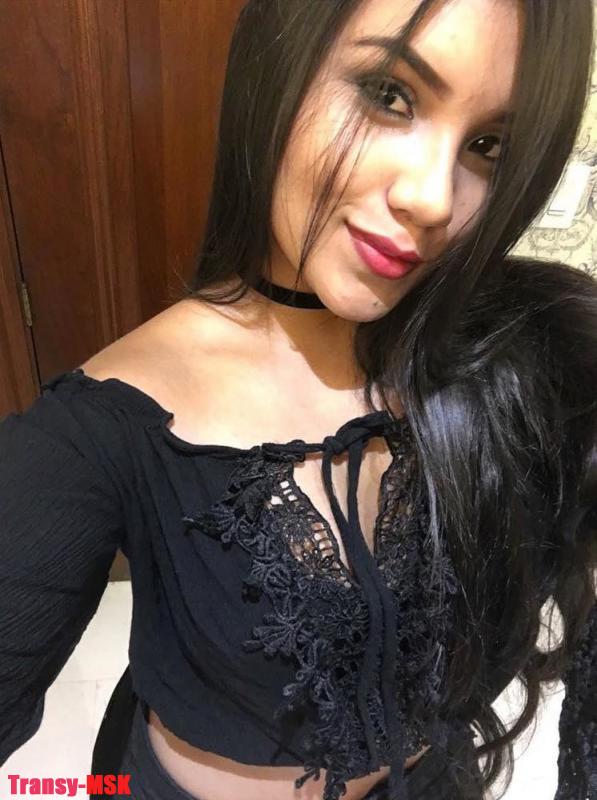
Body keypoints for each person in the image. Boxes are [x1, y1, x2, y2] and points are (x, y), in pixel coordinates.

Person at [1, 0, 596, 799]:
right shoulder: (101, 429)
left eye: (488, 146)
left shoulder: (529, 343)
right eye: (388, 94)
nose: (431, 197)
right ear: (275, 65)